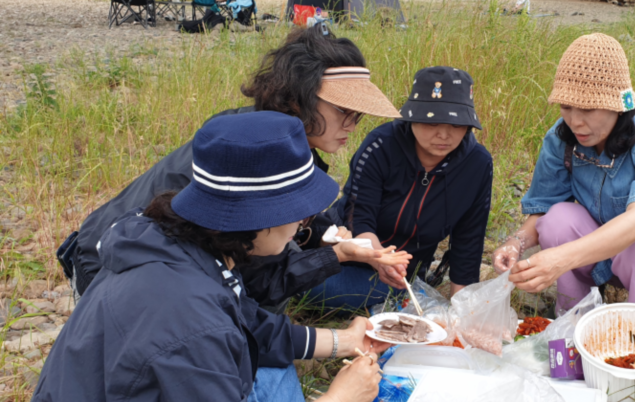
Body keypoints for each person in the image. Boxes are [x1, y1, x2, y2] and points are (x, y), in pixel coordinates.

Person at [3, 112, 392, 402]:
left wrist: (346, 342)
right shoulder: (186, 314)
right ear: (259, 218)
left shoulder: (188, 244)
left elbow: (251, 326)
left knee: (273, 375)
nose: (303, 222)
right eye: (298, 211)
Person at [60, 27, 406, 310]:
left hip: (145, 258)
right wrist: (335, 256)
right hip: (106, 264)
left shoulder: (281, 138)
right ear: (299, 98)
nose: (353, 125)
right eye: (344, 111)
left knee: (368, 291)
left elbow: (295, 215)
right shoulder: (252, 152)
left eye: (358, 115)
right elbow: (258, 277)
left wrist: (337, 237)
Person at [492, 33, 635, 312]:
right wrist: (515, 243)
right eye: (566, 107)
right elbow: (542, 210)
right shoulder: (561, 139)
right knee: (556, 221)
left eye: (589, 109)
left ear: (620, 105)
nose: (575, 122)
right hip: (601, 253)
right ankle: (575, 322)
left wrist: (559, 259)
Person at [311, 67, 493, 311]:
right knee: (316, 286)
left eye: (457, 123)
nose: (444, 134)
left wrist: (461, 314)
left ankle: (402, 294)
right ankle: (403, 295)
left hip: (403, 271)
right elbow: (359, 217)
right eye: (432, 121)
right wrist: (381, 260)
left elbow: (469, 241)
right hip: (351, 250)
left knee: (391, 291)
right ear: (412, 117)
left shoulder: (477, 164)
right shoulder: (381, 145)